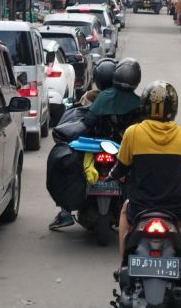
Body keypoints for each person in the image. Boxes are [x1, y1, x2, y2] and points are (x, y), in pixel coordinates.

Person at [109, 81, 181, 258]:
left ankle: (123, 263)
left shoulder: (133, 132)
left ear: (144, 106)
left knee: (123, 213)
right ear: (173, 108)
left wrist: (112, 175)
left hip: (141, 203)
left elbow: (121, 167)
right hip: (174, 204)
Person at [49, 59, 141, 231]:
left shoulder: (100, 97)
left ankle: (65, 212)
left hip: (96, 147)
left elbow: (89, 122)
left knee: (70, 162)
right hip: (122, 151)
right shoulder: (139, 101)